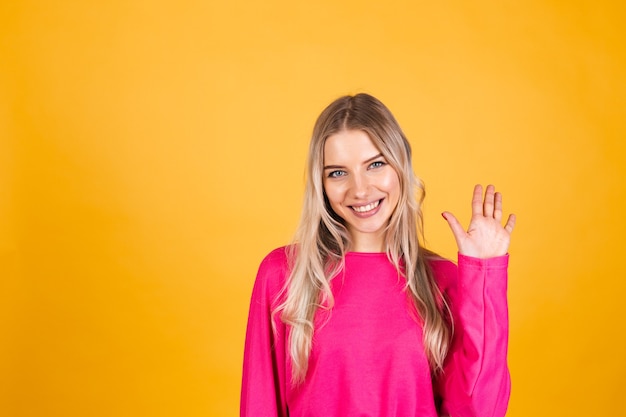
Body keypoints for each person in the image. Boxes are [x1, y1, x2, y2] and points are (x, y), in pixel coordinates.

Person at [240, 93, 516, 417]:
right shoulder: (283, 274)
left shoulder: (443, 281)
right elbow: (259, 404)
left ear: (400, 166)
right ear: (322, 184)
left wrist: (485, 276)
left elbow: (480, 409)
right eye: (338, 173)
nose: (360, 190)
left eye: (375, 164)